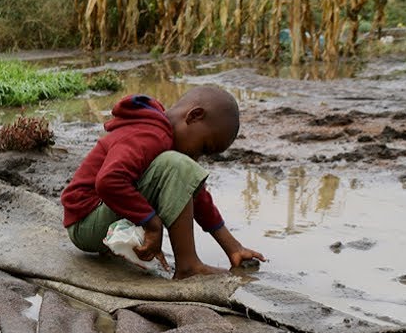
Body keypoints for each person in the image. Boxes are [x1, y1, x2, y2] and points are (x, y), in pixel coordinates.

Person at [60, 85, 266, 279]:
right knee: (178, 164)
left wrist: (233, 247)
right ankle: (188, 266)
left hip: (99, 220)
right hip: (86, 223)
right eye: (203, 148)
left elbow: (196, 194)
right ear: (194, 116)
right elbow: (108, 181)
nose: (198, 157)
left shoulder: (162, 135)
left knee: (180, 168)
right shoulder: (150, 134)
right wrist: (152, 224)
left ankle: (189, 263)